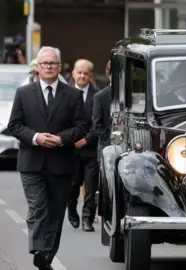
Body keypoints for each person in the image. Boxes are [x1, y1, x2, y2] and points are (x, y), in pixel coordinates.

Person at [7, 46, 86, 270]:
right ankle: (39, 249)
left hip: (61, 163)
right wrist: (36, 137)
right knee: (38, 208)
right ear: (38, 67)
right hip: (31, 162)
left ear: (60, 67)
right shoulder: (24, 93)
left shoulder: (73, 94)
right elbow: (14, 125)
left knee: (56, 212)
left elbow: (82, 126)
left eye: (53, 63)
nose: (49, 67)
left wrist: (61, 139)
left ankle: (47, 256)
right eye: (45, 63)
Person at [67, 59, 99, 232]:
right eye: (79, 72)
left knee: (91, 186)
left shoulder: (98, 95)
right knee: (73, 185)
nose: (82, 76)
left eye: (86, 73)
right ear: (73, 74)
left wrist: (87, 139)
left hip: (91, 149)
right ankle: (72, 210)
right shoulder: (65, 94)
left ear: (90, 76)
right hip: (71, 149)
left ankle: (88, 218)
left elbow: (100, 123)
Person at [92, 60, 112, 157]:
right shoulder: (100, 96)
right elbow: (97, 125)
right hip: (107, 148)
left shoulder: (133, 95)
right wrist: (111, 137)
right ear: (109, 74)